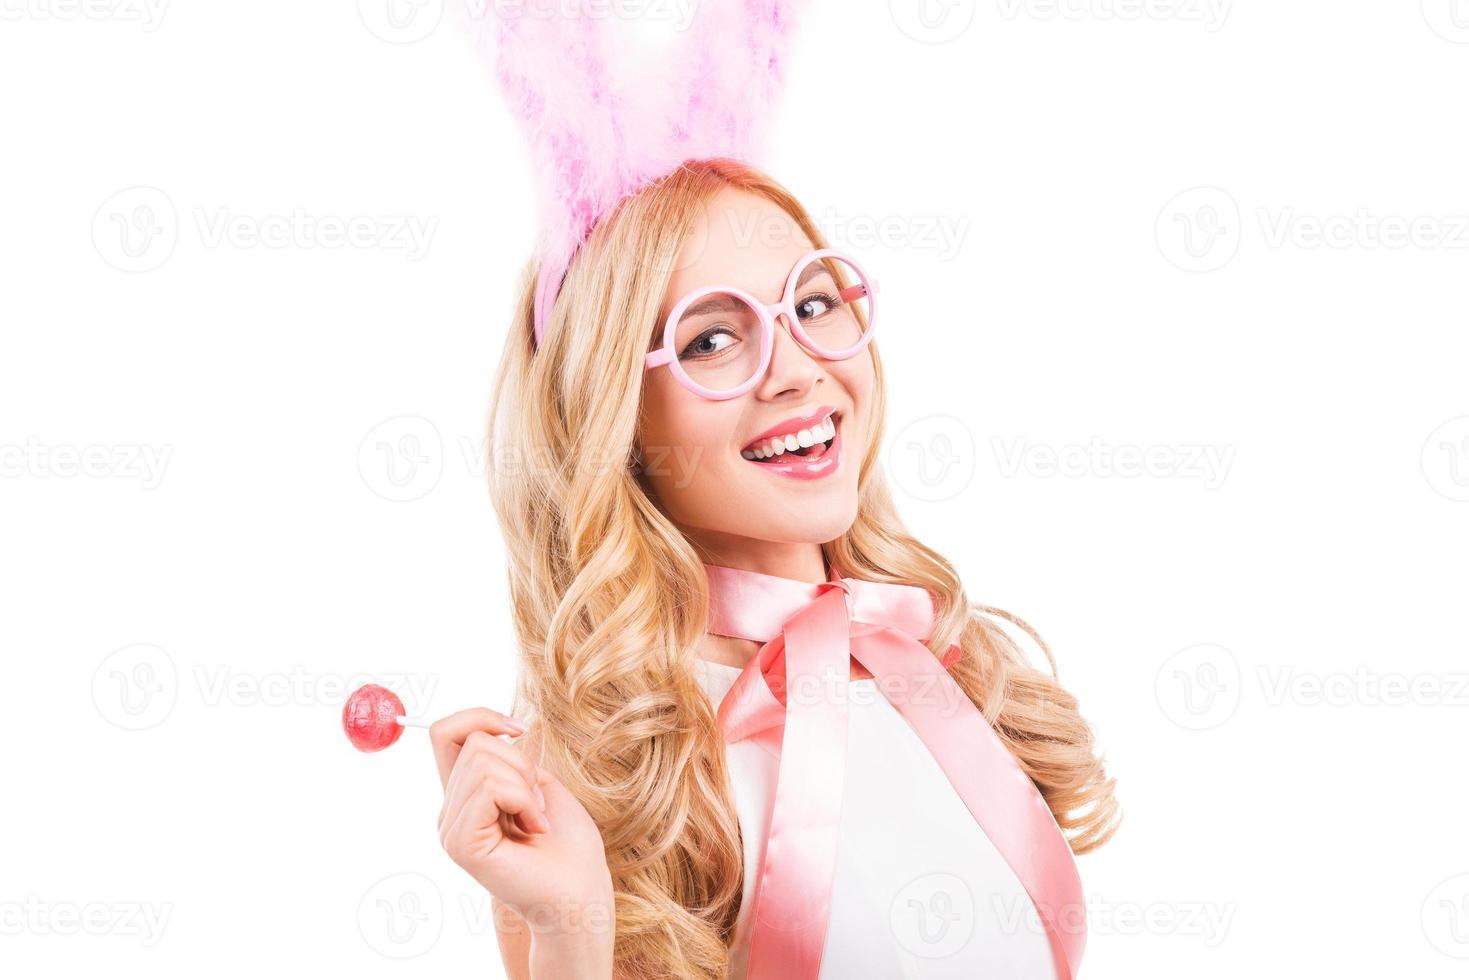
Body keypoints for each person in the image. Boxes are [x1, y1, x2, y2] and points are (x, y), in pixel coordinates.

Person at [428, 158, 1120, 980]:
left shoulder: (951, 666)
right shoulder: (593, 782)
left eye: (812, 303)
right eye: (712, 340)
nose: (795, 368)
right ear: (614, 417)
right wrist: (570, 941)